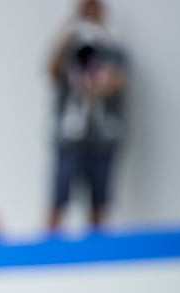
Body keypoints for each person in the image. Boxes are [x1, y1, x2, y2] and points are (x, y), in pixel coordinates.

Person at [46, 0, 127, 234]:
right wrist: (69, 34)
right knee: (59, 198)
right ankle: (48, 252)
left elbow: (117, 81)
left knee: (99, 202)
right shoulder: (69, 48)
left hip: (102, 137)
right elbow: (51, 70)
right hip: (70, 136)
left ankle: (99, 257)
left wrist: (97, 81)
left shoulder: (112, 50)